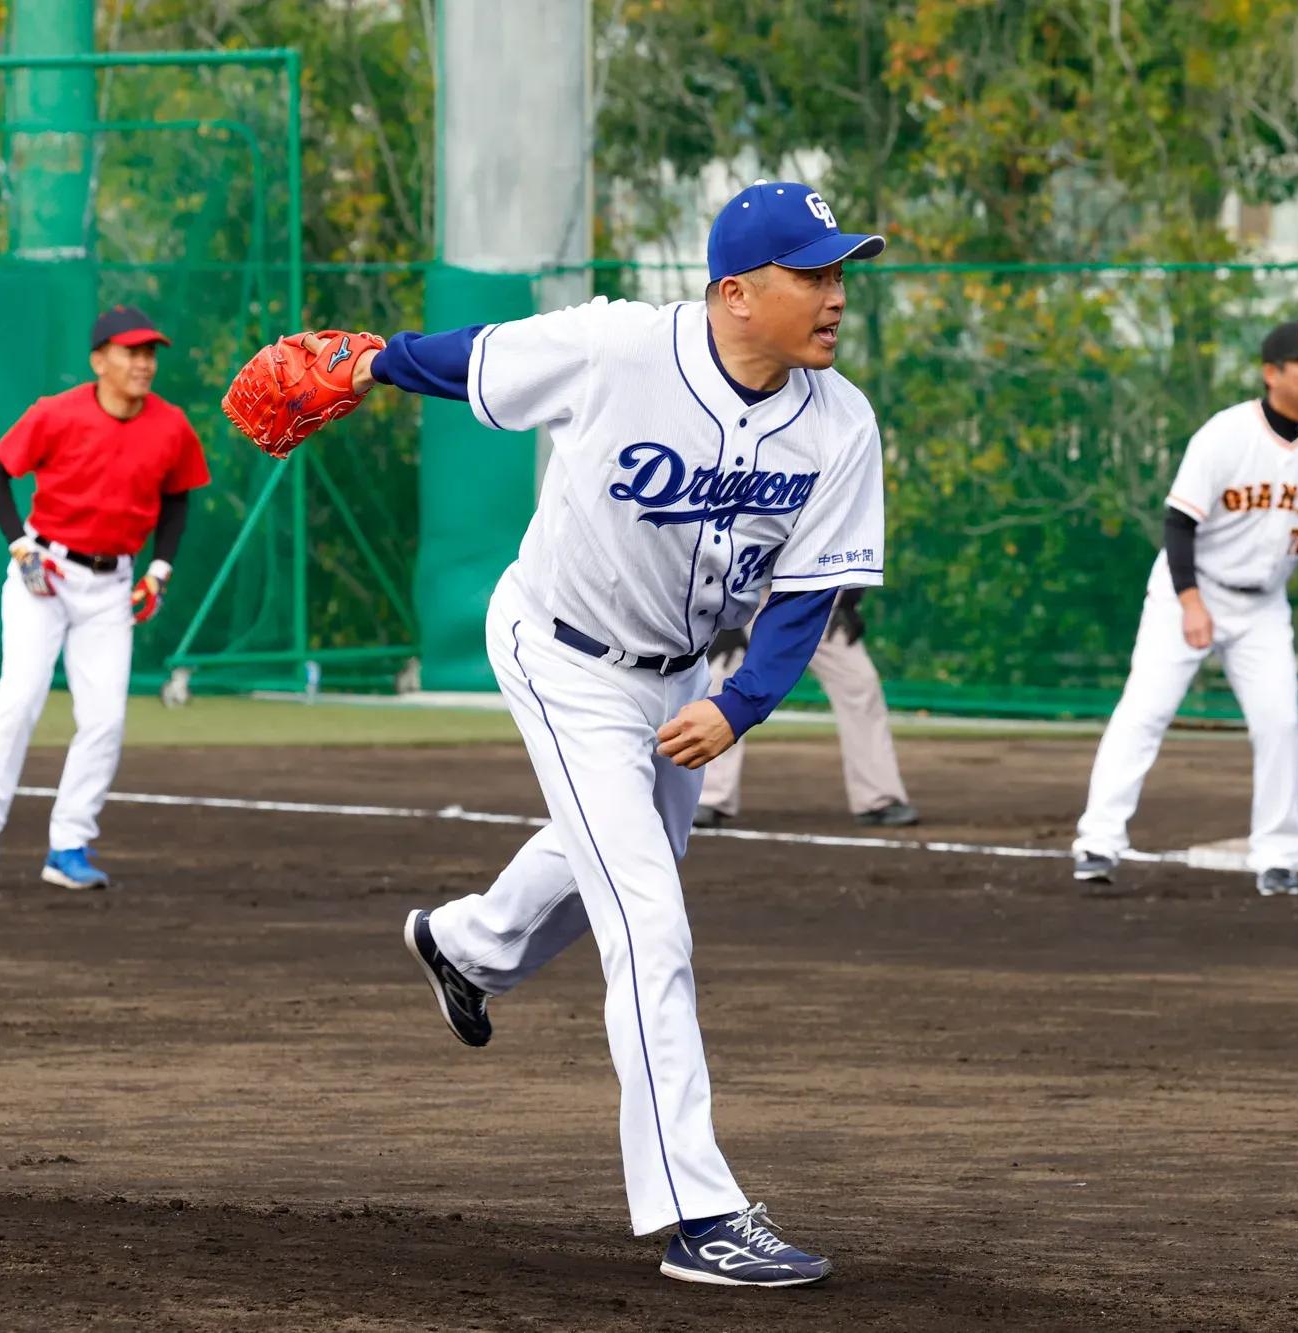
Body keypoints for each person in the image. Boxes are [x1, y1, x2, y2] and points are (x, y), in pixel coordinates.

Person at [304, 182, 885, 1286]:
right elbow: (478, 357)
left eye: (838, 273)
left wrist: (738, 703)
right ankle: (696, 1213)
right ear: (732, 294)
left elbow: (808, 595)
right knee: (647, 920)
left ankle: (465, 945)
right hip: (561, 654)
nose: (834, 296)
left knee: (619, 860)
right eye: (810, 274)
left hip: (680, 686)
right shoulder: (618, 348)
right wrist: (372, 360)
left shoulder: (839, 422)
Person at [1071, 320, 1298, 898]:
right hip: (1189, 588)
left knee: (1281, 725)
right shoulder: (1226, 435)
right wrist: (1191, 602)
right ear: (1272, 374)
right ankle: (1098, 841)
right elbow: (1179, 523)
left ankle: (1276, 855)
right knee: (1145, 711)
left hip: (1263, 607)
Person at [0, 305, 209, 891]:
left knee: (105, 718)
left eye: (150, 353)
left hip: (113, 586)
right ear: (99, 360)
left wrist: (159, 570)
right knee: (18, 700)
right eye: (130, 352)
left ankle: (68, 846)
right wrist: (18, 546)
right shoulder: (55, 414)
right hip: (46, 574)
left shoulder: (170, 426)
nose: (143, 363)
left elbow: (179, 499)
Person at [693, 587, 918, 829]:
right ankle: (708, 797)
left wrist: (849, 601)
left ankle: (879, 799)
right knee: (719, 679)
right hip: (753, 599)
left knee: (860, 684)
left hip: (818, 598)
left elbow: (859, 549)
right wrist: (727, 616)